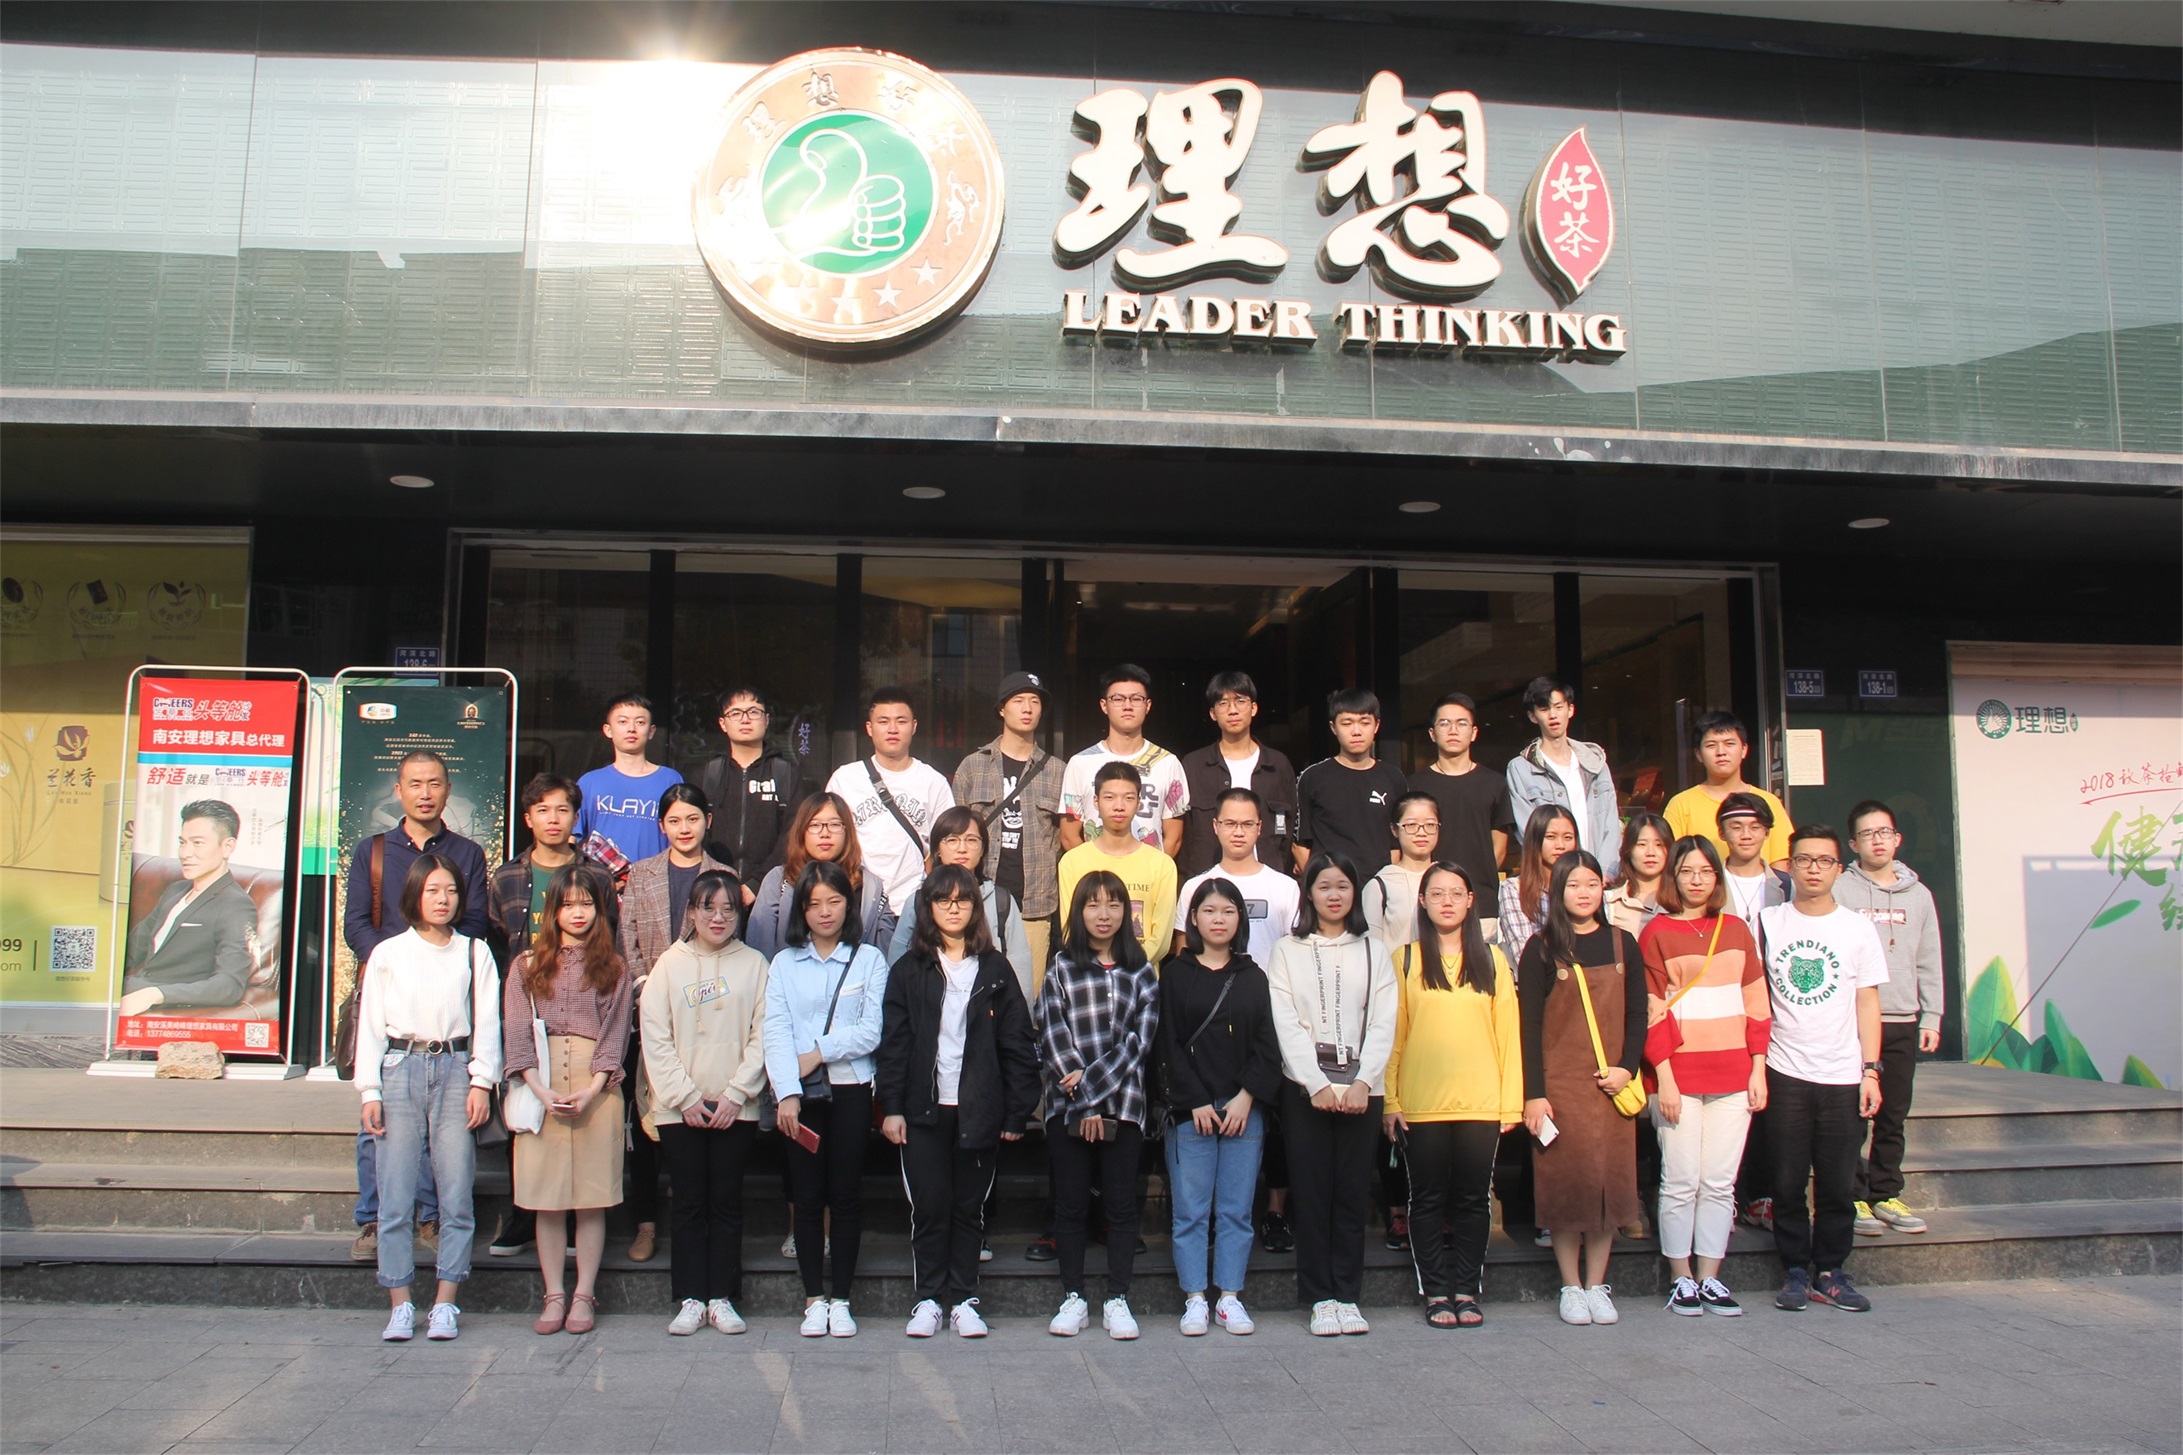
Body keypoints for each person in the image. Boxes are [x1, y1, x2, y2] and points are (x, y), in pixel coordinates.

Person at [878, 864, 1039, 1339]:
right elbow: (895, 1045)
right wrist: (891, 1106)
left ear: (975, 908)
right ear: (927, 908)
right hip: (923, 1109)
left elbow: (1016, 1041)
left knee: (970, 1208)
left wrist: (1017, 1111)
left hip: (978, 1107)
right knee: (929, 1206)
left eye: (962, 900)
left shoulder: (995, 969)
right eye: (943, 900)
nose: (953, 908)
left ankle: (965, 1299)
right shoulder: (909, 970)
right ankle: (928, 1299)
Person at [343, 750, 491, 1265]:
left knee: (439, 1125)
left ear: (448, 789)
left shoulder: (467, 853)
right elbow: (356, 922)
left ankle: (430, 1216)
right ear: (399, 790)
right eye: (415, 784)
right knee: (379, 1120)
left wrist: (437, 960)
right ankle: (373, 1218)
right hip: (392, 998)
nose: (425, 793)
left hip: (445, 1001)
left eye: (434, 783)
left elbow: (475, 920)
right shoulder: (374, 851)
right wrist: (395, 962)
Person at [354, 854, 500, 1343]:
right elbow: (371, 1026)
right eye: (433, 890)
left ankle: (445, 1303)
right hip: (400, 1067)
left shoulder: (474, 952)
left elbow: (488, 1023)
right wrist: (369, 1089)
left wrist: (482, 1081)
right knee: (395, 1197)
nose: (443, 899)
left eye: (451, 891)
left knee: (456, 1194)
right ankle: (399, 1303)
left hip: (456, 1068)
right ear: (415, 894)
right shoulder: (389, 953)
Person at [1265, 852, 1397, 1337]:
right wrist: (1316, 1083)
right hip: (1306, 1090)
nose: (1334, 895)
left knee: (1351, 1193)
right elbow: (1285, 1021)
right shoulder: (1287, 949)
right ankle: (1320, 1296)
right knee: (1313, 1192)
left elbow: (1383, 1020)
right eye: (1324, 886)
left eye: (1343, 885)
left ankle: (1348, 1294)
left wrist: (1363, 1082)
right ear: (1309, 893)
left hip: (1363, 1089)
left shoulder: (1374, 950)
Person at [1384, 862, 1519, 1329]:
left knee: (1473, 1200)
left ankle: (1466, 1288)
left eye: (1456, 893)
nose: (1447, 901)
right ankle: (1435, 1291)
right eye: (1437, 893)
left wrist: (1511, 1103)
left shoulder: (1493, 960)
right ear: (1422, 902)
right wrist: (1390, 1101)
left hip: (1481, 1102)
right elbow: (1394, 1037)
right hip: (1421, 1104)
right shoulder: (1405, 959)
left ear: (1470, 901)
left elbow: (1508, 1034)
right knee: (1425, 1199)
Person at [1759, 826, 1888, 1315]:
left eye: (1824, 861)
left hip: (1843, 1074)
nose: (1813, 869)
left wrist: (1871, 1070)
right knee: (1787, 1179)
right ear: (1789, 866)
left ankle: (1831, 1270)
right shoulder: (1768, 922)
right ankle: (1795, 1268)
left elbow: (1867, 1001)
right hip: (1784, 1069)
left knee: (1837, 1183)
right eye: (1804, 859)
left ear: (1839, 868)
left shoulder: (1857, 928)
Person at [502, 863, 633, 1337]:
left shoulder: (614, 966)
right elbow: (517, 1031)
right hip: (542, 1083)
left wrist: (594, 1088)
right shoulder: (526, 965)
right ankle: (554, 1292)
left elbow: (616, 1033)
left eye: (587, 903)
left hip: (595, 1085)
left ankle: (584, 1293)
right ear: (552, 909)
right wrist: (539, 1089)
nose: (578, 912)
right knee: (547, 1199)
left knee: (591, 1199)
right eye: (568, 904)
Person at [1640, 837, 1769, 1316]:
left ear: (1717, 877)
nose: (1696, 880)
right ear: (1672, 877)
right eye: (1687, 871)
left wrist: (1758, 1067)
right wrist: (1665, 1078)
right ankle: (1681, 1278)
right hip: (1678, 1074)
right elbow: (1650, 1012)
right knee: (1680, 1180)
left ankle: (1711, 1276)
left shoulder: (1736, 929)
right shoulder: (1655, 932)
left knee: (1719, 1181)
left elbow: (1757, 1003)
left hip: (1734, 1072)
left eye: (1706, 871)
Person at [640, 868, 769, 1337]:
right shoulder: (668, 965)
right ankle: (691, 1297)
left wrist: (737, 1093)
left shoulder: (755, 965)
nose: (718, 918)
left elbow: (764, 1035)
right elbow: (655, 1037)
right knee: (689, 1203)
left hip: (737, 1107)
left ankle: (723, 1297)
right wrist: (685, 1097)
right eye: (707, 908)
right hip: (680, 1110)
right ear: (691, 912)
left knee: (727, 1202)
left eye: (728, 909)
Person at [765, 859, 891, 1338]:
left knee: (845, 1195)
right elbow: (775, 1031)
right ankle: (813, 1298)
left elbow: (871, 1031)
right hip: (800, 1097)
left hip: (851, 1089)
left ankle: (842, 1298)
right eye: (814, 903)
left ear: (848, 905)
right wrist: (787, 1093)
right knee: (806, 1196)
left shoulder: (869, 960)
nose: (824, 911)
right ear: (801, 909)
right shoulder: (784, 963)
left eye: (834, 901)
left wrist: (818, 1052)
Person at [1520, 851, 1646, 1327]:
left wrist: (1627, 1068)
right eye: (1573, 885)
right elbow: (1529, 1026)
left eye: (1592, 883)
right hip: (1561, 1087)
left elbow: (1637, 1013)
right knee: (1566, 1187)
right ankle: (1570, 1286)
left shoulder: (1622, 943)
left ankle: (1597, 1284)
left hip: (1611, 1086)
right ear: (1557, 891)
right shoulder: (1540, 948)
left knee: (1608, 1185)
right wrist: (1535, 1093)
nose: (1584, 893)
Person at [1036, 870, 1160, 1340]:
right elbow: (1052, 1032)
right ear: (1079, 911)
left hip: (1124, 1105)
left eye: (1113, 904)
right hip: (1067, 1108)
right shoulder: (1061, 967)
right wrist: (1083, 1104)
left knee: (1122, 1206)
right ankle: (1073, 1296)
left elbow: (1138, 1043)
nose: (1103, 914)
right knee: (1070, 1205)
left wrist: (1091, 1093)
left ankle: (1117, 1298)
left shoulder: (1141, 971)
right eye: (1093, 904)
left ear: (1125, 912)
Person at [1158, 878, 1283, 1337]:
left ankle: (1229, 1296)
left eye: (1228, 911)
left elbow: (1268, 1044)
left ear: (1240, 919)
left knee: (1235, 1210)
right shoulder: (1175, 974)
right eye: (1209, 911)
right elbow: (1166, 1042)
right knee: (1190, 1211)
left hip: (1242, 1112)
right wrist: (1193, 1100)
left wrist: (1247, 1097)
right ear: (1193, 918)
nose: (1218, 920)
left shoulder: (1254, 976)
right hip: (1190, 1112)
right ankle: (1195, 1298)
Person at [616, 783, 731, 1264]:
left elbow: (729, 945)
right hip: (651, 1012)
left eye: (693, 819)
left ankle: (700, 1219)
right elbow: (627, 938)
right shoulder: (641, 874)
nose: (684, 828)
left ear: (708, 821)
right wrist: (648, 988)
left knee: (699, 1119)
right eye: (674, 821)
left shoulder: (723, 875)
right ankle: (645, 1222)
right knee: (648, 1120)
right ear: (662, 825)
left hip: (707, 1016)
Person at [484, 773, 596, 1260]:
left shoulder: (595, 875)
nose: (554, 819)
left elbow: (608, 941)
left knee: (577, 1122)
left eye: (563, 810)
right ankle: (522, 1215)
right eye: (543, 810)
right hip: (527, 1011)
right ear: (528, 818)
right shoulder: (507, 877)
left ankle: (571, 1218)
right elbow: (494, 944)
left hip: (584, 1015)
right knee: (528, 1117)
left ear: (576, 817)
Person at [1838, 799, 1943, 1238]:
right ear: (1853, 844)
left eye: (1884, 832)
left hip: (1901, 1016)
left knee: (1893, 1113)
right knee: (1852, 1114)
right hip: (1853, 1019)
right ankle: (1852, 1196)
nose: (1877, 841)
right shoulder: (1841, 891)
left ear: (1897, 839)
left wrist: (1932, 1014)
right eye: (1867, 834)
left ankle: (1886, 1192)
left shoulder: (1919, 896)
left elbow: (1929, 957)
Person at [952, 671, 1064, 984]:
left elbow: (1064, 839)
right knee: (974, 992)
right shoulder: (973, 766)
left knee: (1026, 998)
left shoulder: (1058, 771)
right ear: (1002, 709)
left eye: (1034, 701)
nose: (1027, 708)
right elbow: (953, 836)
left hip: (1035, 906)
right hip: (978, 901)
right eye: (1018, 700)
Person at [118, 798, 259, 1014]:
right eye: (182, 842)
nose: (185, 853)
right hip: (125, 990)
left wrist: (155, 994)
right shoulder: (175, 890)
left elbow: (229, 985)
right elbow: (131, 948)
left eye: (197, 843)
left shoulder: (235, 905)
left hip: (161, 1004)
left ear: (227, 847)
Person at [824, 688, 956, 917]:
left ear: (914, 726)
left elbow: (947, 847)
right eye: (883, 721)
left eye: (901, 721)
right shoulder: (845, 779)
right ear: (869, 728)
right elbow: (828, 839)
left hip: (914, 907)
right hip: (857, 905)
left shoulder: (934, 782)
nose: (892, 729)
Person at [888, 806, 1033, 1003]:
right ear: (938, 848)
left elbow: (1020, 971)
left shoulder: (1001, 902)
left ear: (983, 848)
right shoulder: (918, 902)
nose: (962, 848)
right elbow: (896, 971)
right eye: (952, 840)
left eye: (971, 840)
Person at [1406, 692, 1515, 925]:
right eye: (1444, 723)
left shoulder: (1494, 783)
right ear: (1432, 733)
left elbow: (1498, 849)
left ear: (1474, 732)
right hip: (1429, 903)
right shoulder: (1414, 786)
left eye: (1461, 723)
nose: (1453, 730)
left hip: (1482, 904)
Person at [1056, 760, 1178, 967]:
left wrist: (1125, 967)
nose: (1119, 806)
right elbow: (1070, 929)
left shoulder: (1162, 865)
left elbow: (1162, 939)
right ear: (1096, 802)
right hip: (1088, 974)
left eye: (1128, 798)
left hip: (1140, 975)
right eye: (1109, 797)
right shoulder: (1072, 862)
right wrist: (1100, 967)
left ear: (1139, 803)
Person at [747, 792, 897, 959]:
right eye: (815, 825)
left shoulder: (870, 886)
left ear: (847, 830)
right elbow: (759, 947)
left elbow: (886, 954)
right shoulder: (778, 880)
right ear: (801, 831)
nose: (825, 833)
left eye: (834, 824)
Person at [1058, 664, 1188, 856]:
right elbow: (1069, 835)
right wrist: (1095, 871)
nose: (1128, 706)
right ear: (1104, 705)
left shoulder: (1168, 763)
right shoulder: (1080, 763)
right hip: (1097, 873)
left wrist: (1153, 870)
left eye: (1136, 699)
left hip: (1149, 872)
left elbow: (1173, 838)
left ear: (1148, 705)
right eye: (1118, 699)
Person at [1178, 671, 1298, 879]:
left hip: (1266, 879)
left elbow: (1288, 828)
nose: (1232, 710)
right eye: (1223, 703)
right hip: (1208, 881)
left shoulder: (1277, 765)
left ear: (1254, 708)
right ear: (1213, 713)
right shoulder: (1193, 765)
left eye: (1240, 701)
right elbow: (1184, 833)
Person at [1505, 676, 1625, 879]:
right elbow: (1529, 832)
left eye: (1559, 707)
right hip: (1553, 880)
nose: (1553, 715)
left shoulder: (1595, 764)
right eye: (1544, 709)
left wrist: (1604, 873)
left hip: (1599, 879)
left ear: (1570, 710)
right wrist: (1564, 876)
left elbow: (1611, 824)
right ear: (1533, 716)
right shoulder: (1521, 769)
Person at [691, 686, 801, 905]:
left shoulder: (786, 773)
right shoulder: (707, 775)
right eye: (735, 713)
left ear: (766, 720)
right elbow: (696, 831)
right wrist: (721, 881)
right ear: (723, 723)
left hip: (772, 891)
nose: (745, 719)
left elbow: (794, 832)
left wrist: (756, 884)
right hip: (714, 889)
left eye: (753, 711)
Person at [1176, 788, 1300, 968]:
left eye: (1248, 824)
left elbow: (1295, 954)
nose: (1239, 832)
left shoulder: (1286, 887)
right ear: (1215, 826)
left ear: (1259, 827)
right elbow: (1184, 957)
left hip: (1271, 985)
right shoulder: (1194, 887)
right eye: (1230, 823)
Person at [1294, 688, 1409, 874]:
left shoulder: (1393, 778)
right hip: (1329, 885)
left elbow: (1396, 844)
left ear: (1376, 725)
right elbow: (1300, 843)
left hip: (1379, 884)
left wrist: (1386, 881)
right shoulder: (1312, 777)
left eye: (1365, 722)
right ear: (1333, 727)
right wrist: (1318, 882)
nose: (1356, 731)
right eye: (1347, 723)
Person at [1663, 713, 1792, 870]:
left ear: (1744, 749)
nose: (1721, 752)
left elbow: (1780, 862)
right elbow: (1671, 862)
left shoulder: (1768, 802)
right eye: (1711, 745)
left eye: (1729, 744)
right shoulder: (1681, 804)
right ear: (1699, 754)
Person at [575, 693, 683, 864]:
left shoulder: (670, 780)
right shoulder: (589, 782)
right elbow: (572, 838)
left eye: (640, 722)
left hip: (654, 877)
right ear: (608, 730)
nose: (631, 729)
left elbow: (682, 835)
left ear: (651, 731)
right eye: (623, 722)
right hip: (600, 877)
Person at [1499, 804, 1580, 969]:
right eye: (1551, 837)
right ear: (1535, 840)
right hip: (1540, 976)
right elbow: (1523, 952)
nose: (1560, 845)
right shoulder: (1514, 889)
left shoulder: (1586, 888)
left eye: (1568, 837)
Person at [1365, 792, 1441, 951]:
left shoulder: (1448, 879)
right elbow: (1371, 949)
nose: (1421, 832)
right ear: (1395, 829)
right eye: (1411, 825)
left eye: (1430, 824)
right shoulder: (1381, 884)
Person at [1718, 793, 1791, 930]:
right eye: (1736, 828)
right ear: (1722, 833)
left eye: (1755, 827)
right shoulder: (1710, 883)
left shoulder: (1787, 885)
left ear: (1766, 833)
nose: (1746, 835)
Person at [1606, 810, 1672, 938]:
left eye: (1659, 845)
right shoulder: (1610, 902)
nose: (1650, 852)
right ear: (1628, 850)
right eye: (1642, 844)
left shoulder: (1681, 900)